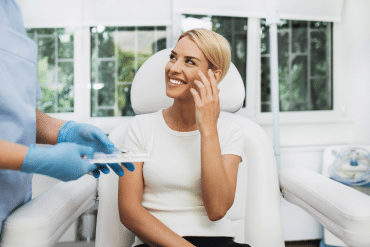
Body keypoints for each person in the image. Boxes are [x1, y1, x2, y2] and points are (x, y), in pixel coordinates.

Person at [0, 0, 134, 234]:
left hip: (9, 209)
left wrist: (63, 132)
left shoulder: (10, 10)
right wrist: (35, 158)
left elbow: (13, 111)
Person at [118, 29, 250, 247]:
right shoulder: (140, 127)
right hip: (158, 243)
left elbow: (217, 209)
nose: (173, 68)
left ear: (213, 76)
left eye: (189, 62)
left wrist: (208, 129)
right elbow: (128, 211)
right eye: (173, 57)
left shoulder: (229, 131)